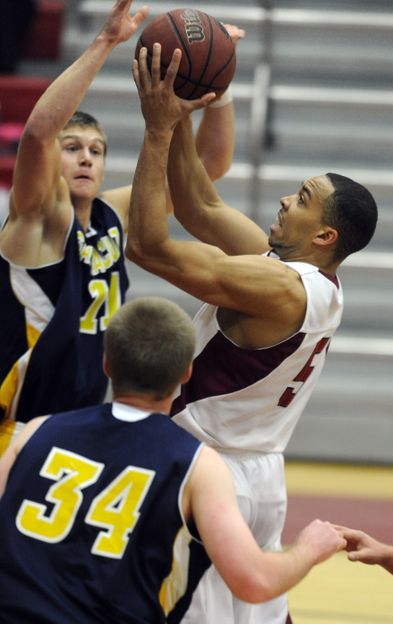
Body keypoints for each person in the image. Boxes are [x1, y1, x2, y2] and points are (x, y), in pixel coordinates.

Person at [126, 45, 378, 624]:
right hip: (259, 475)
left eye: (304, 199)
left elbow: (147, 246)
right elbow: (200, 204)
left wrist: (157, 130)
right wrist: (182, 110)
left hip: (212, 471)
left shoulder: (281, 288)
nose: (288, 199)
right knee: (258, 613)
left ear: (324, 236)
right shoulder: (306, 280)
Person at [0, 296, 346, 623]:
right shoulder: (196, 464)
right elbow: (253, 581)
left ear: (107, 365)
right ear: (186, 373)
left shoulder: (35, 432)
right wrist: (308, 548)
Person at [0, 0, 240, 456]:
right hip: (15, 426)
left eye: (96, 149)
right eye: (72, 148)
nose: (87, 157)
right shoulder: (39, 222)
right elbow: (36, 136)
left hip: (76, 424)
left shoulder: (114, 214)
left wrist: (218, 85)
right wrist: (106, 42)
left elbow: (210, 165)